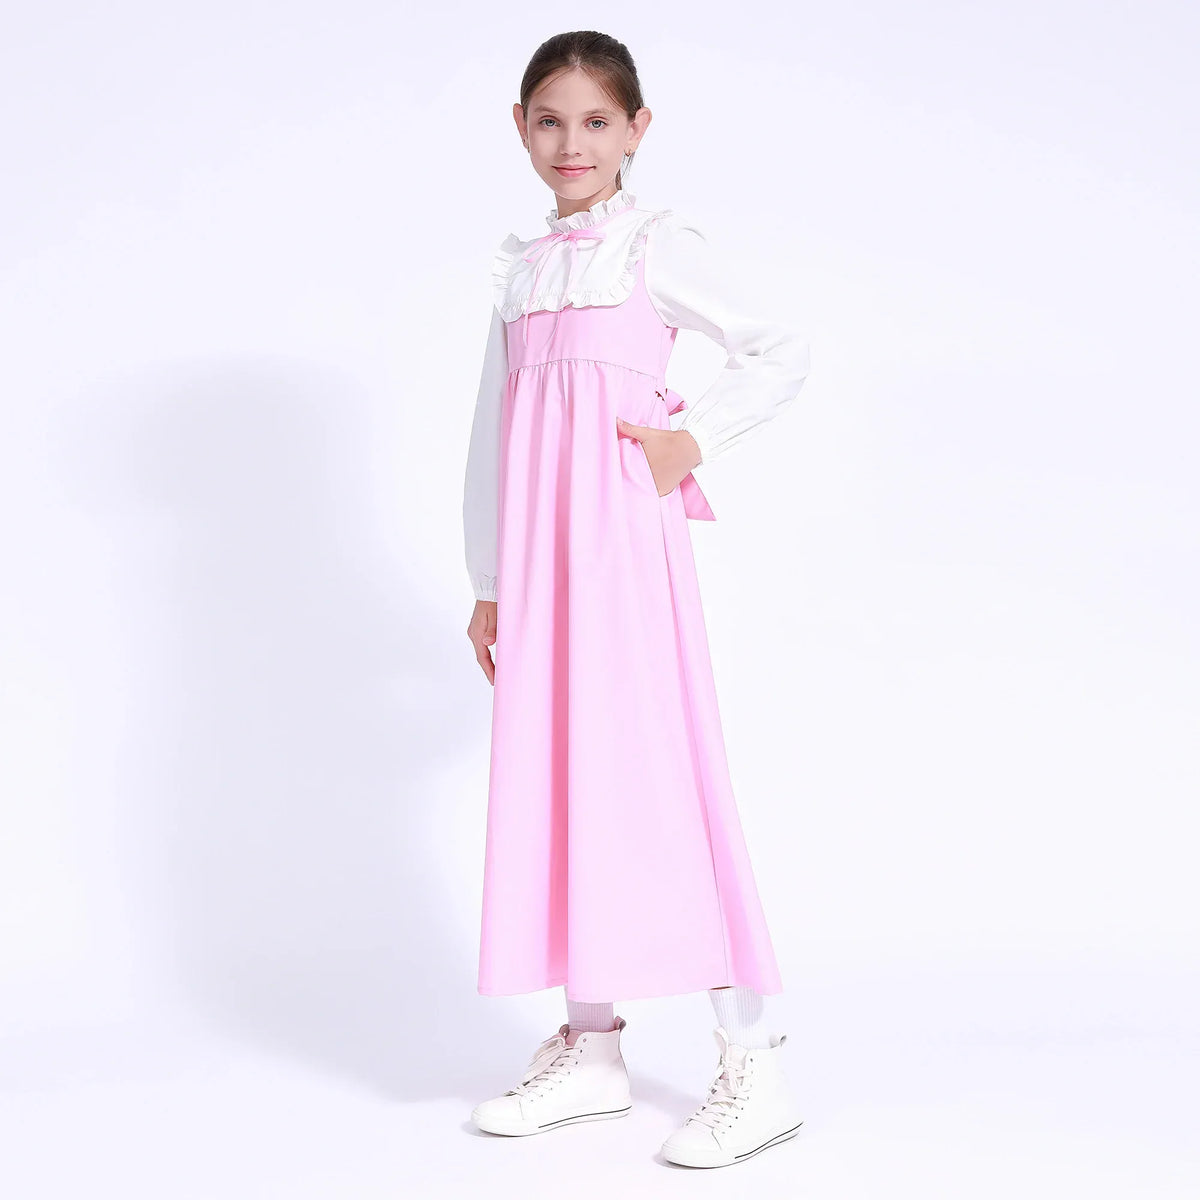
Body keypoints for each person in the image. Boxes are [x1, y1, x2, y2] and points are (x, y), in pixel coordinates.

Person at [462, 31, 811, 1169]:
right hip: (541, 567)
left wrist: (690, 440)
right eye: (551, 120)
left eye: (597, 122)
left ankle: (753, 1060)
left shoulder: (653, 247)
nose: (573, 143)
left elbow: (777, 348)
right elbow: (492, 434)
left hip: (621, 550)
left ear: (636, 130)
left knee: (663, 775)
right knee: (565, 777)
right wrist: (490, 583)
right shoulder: (523, 270)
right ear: (521, 127)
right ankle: (594, 1046)